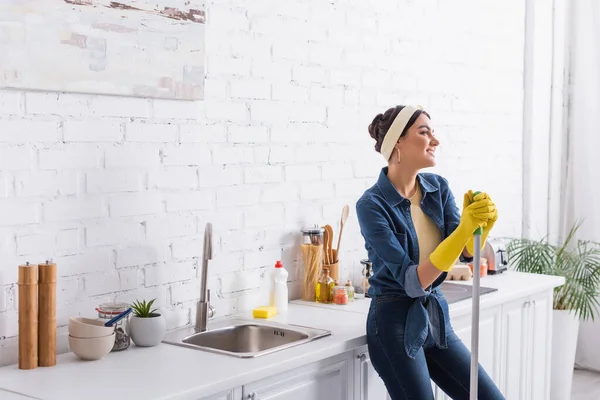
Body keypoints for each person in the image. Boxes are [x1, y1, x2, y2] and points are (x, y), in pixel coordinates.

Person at [355, 105, 505, 400]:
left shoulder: (438, 187)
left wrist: (480, 230)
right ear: (398, 142)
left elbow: (465, 255)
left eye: (432, 132)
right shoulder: (372, 205)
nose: (435, 140)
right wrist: (464, 229)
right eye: (424, 132)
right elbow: (413, 282)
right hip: (394, 325)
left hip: (436, 319)